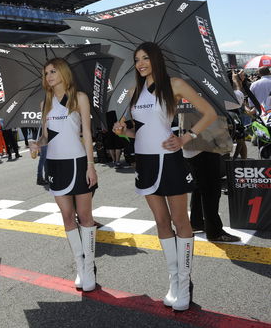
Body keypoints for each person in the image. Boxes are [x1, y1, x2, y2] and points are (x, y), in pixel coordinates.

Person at [113, 42, 216, 311]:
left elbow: (209, 113)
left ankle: (184, 282)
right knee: (160, 221)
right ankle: (173, 280)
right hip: (144, 162)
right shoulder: (135, 91)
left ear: (156, 59)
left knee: (180, 220)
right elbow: (139, 132)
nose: (140, 63)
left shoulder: (175, 84)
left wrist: (186, 137)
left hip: (168, 160)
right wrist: (122, 131)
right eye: (137, 59)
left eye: (145, 58)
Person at [29, 57, 98, 292]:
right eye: (46, 73)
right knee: (67, 216)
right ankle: (80, 266)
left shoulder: (79, 98)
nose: (48, 76)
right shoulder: (45, 104)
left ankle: (89, 267)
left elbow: (87, 133)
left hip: (79, 162)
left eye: (52, 71)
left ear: (63, 73)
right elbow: (48, 137)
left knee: (85, 217)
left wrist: (91, 165)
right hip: (55, 166)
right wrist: (37, 144)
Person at [180, 112, 240, 242]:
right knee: (211, 191)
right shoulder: (205, 94)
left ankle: (196, 222)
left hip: (190, 145)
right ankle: (215, 232)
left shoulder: (185, 94)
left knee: (200, 187)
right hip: (205, 144)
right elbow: (232, 103)